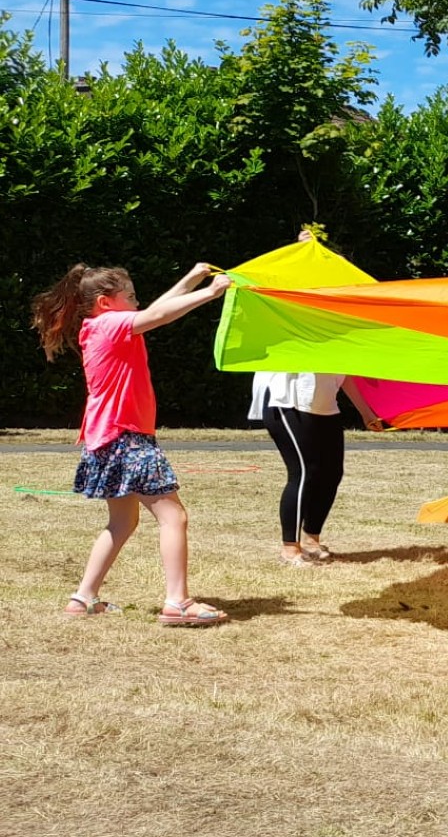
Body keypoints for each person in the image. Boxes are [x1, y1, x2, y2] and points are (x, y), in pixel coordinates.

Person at [33, 263, 232, 627]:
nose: (137, 303)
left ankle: (83, 598)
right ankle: (178, 603)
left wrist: (192, 278)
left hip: (108, 439)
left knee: (122, 521)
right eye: (131, 296)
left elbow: (154, 311)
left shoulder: (101, 326)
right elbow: (157, 315)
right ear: (106, 302)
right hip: (126, 437)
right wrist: (211, 292)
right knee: (174, 517)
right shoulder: (110, 324)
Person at [249, 227, 386, 563]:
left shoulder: (339, 316)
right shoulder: (291, 304)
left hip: (323, 404)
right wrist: (303, 256)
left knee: (331, 473)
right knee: (304, 472)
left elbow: (343, 371)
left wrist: (366, 411)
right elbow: (278, 286)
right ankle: (290, 548)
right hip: (286, 400)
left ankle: (312, 539)